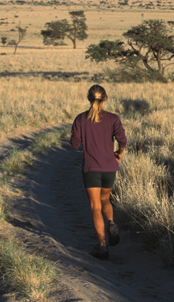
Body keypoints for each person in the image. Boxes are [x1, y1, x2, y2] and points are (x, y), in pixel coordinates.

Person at [70, 85, 127, 260]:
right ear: (105, 99)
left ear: (89, 98)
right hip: (110, 168)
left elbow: (74, 145)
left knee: (95, 206)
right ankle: (110, 223)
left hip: (91, 169)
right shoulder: (113, 118)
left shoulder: (80, 119)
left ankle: (102, 246)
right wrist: (119, 153)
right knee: (106, 200)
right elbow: (122, 140)